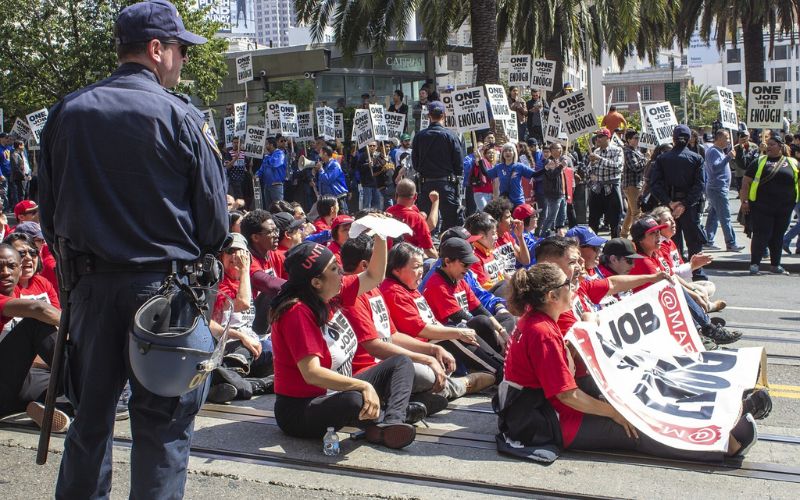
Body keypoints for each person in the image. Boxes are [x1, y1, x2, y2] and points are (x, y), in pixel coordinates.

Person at [38, 2, 229, 497]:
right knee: (162, 429)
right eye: (181, 49)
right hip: (164, 297)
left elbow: (48, 211)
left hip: (92, 292)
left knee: (90, 421)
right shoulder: (181, 115)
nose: (183, 59)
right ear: (156, 49)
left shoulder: (67, 112)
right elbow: (214, 223)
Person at [498, 262, 759, 461]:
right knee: (633, 429)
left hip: (543, 406)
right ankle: (725, 444)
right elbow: (568, 396)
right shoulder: (541, 331)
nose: (574, 286)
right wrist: (613, 412)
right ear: (552, 296)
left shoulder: (537, 321)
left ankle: (718, 415)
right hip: (547, 419)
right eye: (568, 283)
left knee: (634, 392)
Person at [270, 239, 418, 449]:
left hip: (335, 390)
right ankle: (380, 419)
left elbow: (373, 276)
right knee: (354, 400)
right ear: (316, 282)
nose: (341, 271)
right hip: (301, 409)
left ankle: (392, 422)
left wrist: (381, 235)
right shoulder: (297, 313)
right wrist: (363, 385)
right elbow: (311, 373)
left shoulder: (331, 291)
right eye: (333, 268)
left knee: (401, 362)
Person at [340, 234, 486, 405]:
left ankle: (419, 399)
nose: (385, 267)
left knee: (468, 332)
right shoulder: (360, 296)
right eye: (381, 261)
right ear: (365, 265)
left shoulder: (377, 290)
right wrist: (426, 356)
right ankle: (457, 386)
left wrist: (432, 350)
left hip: (391, 361)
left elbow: (392, 335)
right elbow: (376, 346)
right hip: (371, 370)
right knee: (426, 371)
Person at [380, 242, 504, 383]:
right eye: (416, 267)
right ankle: (501, 372)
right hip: (419, 345)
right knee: (456, 334)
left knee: (465, 329)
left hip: (432, 337)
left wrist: (499, 331)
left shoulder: (409, 286)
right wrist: (456, 333)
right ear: (396, 270)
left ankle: (504, 365)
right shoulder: (393, 291)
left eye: (421, 266)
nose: (421, 271)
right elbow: (420, 329)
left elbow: (475, 308)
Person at [627, 217, 741, 347]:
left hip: (663, 299)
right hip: (648, 307)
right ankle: (702, 329)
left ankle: (705, 327)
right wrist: (692, 274)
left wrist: (695, 293)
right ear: (641, 239)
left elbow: (672, 276)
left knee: (703, 288)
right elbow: (670, 284)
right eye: (652, 233)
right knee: (676, 290)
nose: (658, 236)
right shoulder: (644, 261)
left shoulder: (655, 253)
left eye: (658, 232)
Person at [0, 245, 64, 430]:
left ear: (20, 269)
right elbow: (39, 309)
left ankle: (52, 409)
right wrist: (79, 330)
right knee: (35, 323)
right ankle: (92, 389)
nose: (5, 272)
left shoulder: (26, 290)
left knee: (59, 380)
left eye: (11, 266)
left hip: (12, 386)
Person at [648, 124, 707, 281]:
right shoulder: (696, 158)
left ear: (673, 139)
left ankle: (675, 275)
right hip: (688, 207)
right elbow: (700, 185)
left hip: (670, 208)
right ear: (689, 139)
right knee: (693, 242)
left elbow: (654, 184)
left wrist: (670, 203)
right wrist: (684, 204)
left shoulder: (662, 159)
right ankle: (698, 275)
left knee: (671, 243)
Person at [740, 134, 799, 275]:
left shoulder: (792, 162)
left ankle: (775, 265)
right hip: (762, 207)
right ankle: (754, 264)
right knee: (761, 234)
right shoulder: (759, 162)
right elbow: (746, 182)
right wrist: (745, 201)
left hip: (785, 207)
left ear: (780, 146)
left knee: (778, 236)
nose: (769, 147)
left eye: (772, 144)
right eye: (768, 144)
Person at [411, 101, 464, 232]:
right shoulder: (451, 135)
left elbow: (415, 163)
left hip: (426, 184)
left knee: (426, 224)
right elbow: (459, 162)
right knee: (450, 223)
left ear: (429, 116)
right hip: (447, 184)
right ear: (444, 115)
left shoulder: (419, 136)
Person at [704, 130, 744, 252]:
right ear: (719, 138)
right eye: (726, 138)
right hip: (717, 189)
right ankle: (731, 243)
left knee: (714, 216)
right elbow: (715, 168)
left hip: (719, 188)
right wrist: (728, 157)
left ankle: (707, 239)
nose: (728, 140)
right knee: (725, 217)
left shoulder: (719, 151)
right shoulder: (713, 151)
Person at [386, 179, 439, 259]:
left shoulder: (388, 212)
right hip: (408, 261)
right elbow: (429, 250)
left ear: (396, 195)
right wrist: (435, 201)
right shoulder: (417, 218)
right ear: (415, 196)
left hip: (388, 259)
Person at [586, 128, 624, 238]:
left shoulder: (617, 150)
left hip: (612, 187)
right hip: (598, 188)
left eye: (600, 136)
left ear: (608, 138)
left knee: (615, 220)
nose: (597, 139)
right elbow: (588, 171)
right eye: (597, 136)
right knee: (593, 219)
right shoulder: (596, 151)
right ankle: (592, 245)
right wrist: (592, 165)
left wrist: (599, 159)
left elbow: (618, 167)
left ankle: (615, 246)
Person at [484, 197, 530, 276]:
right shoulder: (490, 241)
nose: (512, 220)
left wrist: (520, 236)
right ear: (497, 221)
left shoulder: (507, 235)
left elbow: (525, 260)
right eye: (508, 217)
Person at [486, 143, 537, 208]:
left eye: (510, 150)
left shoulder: (519, 166)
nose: (507, 152)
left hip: (518, 202)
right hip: (505, 202)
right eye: (505, 151)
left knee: (520, 218)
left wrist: (546, 168)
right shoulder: (498, 167)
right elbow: (486, 173)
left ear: (514, 153)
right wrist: (479, 160)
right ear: (502, 154)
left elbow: (535, 174)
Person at [539, 143, 571, 236]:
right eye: (558, 148)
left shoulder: (560, 161)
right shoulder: (549, 162)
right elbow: (552, 175)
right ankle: (543, 237)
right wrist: (561, 166)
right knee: (551, 218)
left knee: (562, 219)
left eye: (561, 148)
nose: (560, 150)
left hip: (562, 193)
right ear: (552, 150)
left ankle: (559, 237)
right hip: (554, 195)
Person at [621, 130, 647, 238]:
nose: (637, 140)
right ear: (628, 140)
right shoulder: (627, 151)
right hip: (632, 184)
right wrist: (646, 160)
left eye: (638, 138)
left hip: (637, 183)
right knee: (637, 212)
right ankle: (638, 236)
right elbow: (635, 167)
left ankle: (624, 234)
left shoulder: (636, 151)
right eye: (635, 138)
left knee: (631, 212)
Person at [315, 145, 349, 214]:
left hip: (338, 198)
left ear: (325, 154)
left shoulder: (335, 165)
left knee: (340, 220)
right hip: (329, 199)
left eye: (320, 153)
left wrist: (321, 169)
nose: (319, 155)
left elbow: (327, 179)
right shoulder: (326, 164)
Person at [257, 137, 287, 210]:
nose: (265, 146)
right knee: (269, 209)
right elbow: (262, 169)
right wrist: (256, 175)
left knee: (278, 208)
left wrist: (267, 157)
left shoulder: (280, 153)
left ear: (271, 145)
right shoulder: (267, 156)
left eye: (266, 144)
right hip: (267, 186)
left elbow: (276, 164)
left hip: (276, 185)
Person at [225, 136, 248, 202]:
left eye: (237, 143)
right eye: (234, 142)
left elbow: (245, 167)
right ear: (232, 143)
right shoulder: (229, 153)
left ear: (240, 144)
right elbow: (227, 166)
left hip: (243, 180)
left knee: (243, 197)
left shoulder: (243, 153)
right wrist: (235, 158)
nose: (236, 144)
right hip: (233, 180)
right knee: (237, 198)